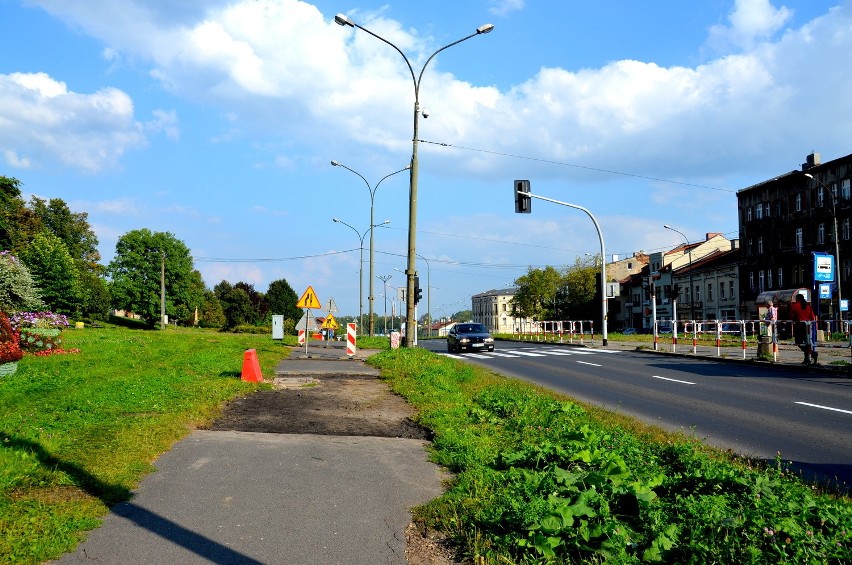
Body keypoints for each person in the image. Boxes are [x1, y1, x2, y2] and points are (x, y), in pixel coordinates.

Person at [789, 293, 818, 364]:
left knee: (799, 342)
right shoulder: (808, 306)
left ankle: (812, 353)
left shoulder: (794, 306)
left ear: (797, 299)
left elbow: (791, 316)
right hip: (808, 326)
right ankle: (807, 358)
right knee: (807, 342)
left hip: (799, 326)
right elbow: (812, 317)